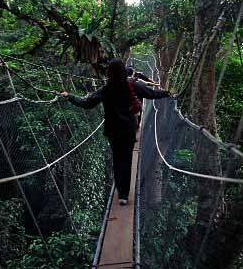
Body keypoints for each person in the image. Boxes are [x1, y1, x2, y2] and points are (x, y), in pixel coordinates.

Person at [61, 58, 171, 206]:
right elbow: (151, 93)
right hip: (129, 130)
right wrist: (167, 93)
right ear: (124, 71)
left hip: (113, 130)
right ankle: (124, 195)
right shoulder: (132, 85)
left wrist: (70, 97)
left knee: (117, 159)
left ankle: (121, 192)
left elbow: (87, 103)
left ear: (109, 73)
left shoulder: (106, 89)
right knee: (127, 159)